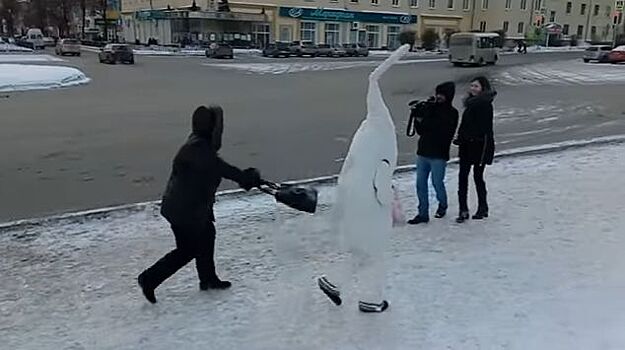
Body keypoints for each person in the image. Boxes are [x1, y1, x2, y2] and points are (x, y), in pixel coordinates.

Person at [137, 105, 262, 303]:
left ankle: (208, 279)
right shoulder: (199, 150)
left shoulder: (199, 144)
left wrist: (247, 178)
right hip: (184, 211)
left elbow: (217, 167)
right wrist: (246, 177)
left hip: (187, 208)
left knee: (207, 234)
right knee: (189, 249)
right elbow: (222, 168)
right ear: (212, 129)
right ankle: (149, 278)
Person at [407, 82, 459, 224]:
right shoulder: (430, 108)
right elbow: (421, 130)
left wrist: (427, 114)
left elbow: (443, 131)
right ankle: (422, 213)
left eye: (442, 94)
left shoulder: (452, 113)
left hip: (439, 155)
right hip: (423, 152)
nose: (438, 97)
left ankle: (443, 204)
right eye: (438, 94)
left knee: (437, 183)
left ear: (449, 96)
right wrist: (417, 116)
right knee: (420, 184)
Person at [454, 77, 496, 223]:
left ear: (483, 89)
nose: (473, 88)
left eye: (476, 86)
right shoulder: (470, 104)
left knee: (478, 177)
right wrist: (460, 137)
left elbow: (485, 129)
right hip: (466, 146)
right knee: (462, 178)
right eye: (471, 85)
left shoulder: (484, 105)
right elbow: (464, 124)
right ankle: (463, 209)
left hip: (479, 147)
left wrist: (472, 138)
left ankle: (482, 207)